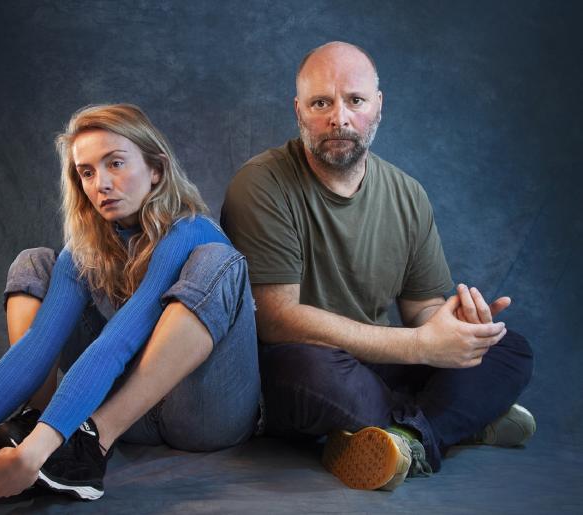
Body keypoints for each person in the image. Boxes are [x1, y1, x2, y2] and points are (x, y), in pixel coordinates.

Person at [220, 41, 534, 491]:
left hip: (384, 361)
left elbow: (423, 310)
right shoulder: (261, 184)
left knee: (509, 348)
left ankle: (407, 439)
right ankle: (457, 424)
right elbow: (275, 319)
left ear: (378, 106)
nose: (339, 118)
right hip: (305, 364)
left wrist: (458, 328)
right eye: (321, 102)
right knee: (310, 372)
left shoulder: (408, 194)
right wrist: (423, 347)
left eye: (355, 100)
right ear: (299, 110)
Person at [0, 104, 260, 500]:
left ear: (156, 170)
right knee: (36, 261)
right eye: (87, 172)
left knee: (216, 261)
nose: (101, 183)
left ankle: (82, 446)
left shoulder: (189, 231)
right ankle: (43, 421)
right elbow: (39, 345)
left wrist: (33, 456)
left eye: (116, 163)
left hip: (204, 415)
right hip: (130, 418)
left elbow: (118, 341)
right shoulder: (86, 250)